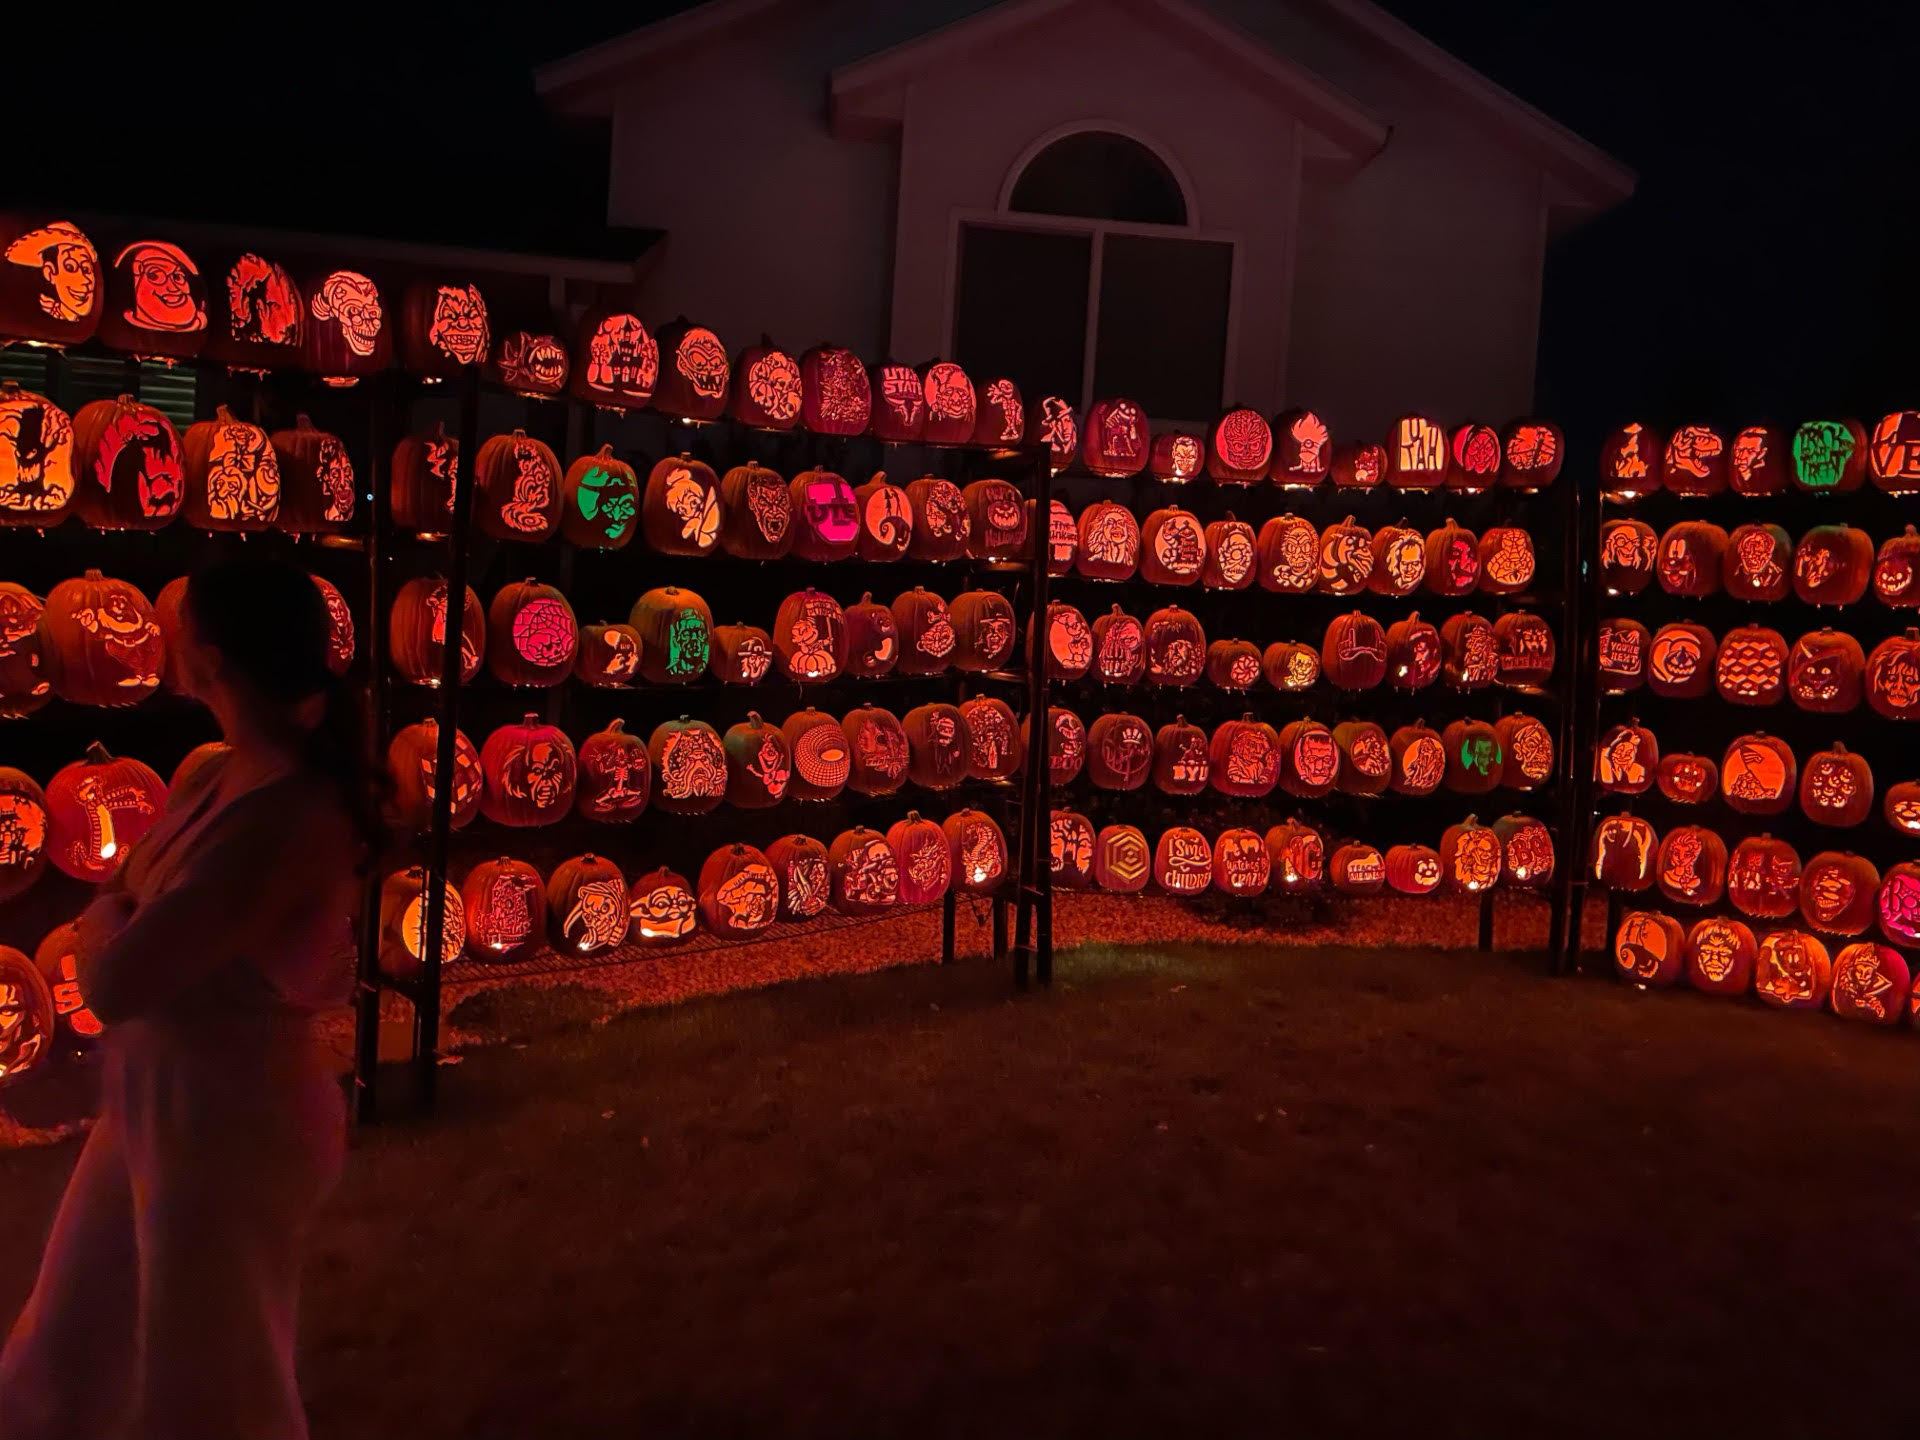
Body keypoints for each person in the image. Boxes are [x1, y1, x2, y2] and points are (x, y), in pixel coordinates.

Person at [0, 555, 378, 1440]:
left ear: (209, 653)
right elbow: (124, 898)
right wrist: (119, 914)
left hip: (231, 1120)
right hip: (152, 1100)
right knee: (66, 1342)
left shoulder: (293, 812)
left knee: (209, 1378)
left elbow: (116, 977)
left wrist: (112, 920)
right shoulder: (217, 776)